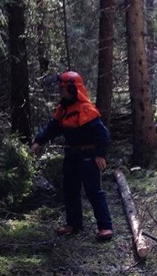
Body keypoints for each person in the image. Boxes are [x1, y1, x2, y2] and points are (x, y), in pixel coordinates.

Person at [30, 71, 114, 240]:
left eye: (63, 88)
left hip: (89, 156)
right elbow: (52, 128)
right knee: (70, 190)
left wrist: (100, 154)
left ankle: (105, 227)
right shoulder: (63, 109)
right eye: (60, 87)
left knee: (93, 191)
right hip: (72, 155)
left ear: (73, 89)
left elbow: (102, 136)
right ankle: (73, 223)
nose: (60, 91)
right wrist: (39, 141)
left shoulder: (86, 109)